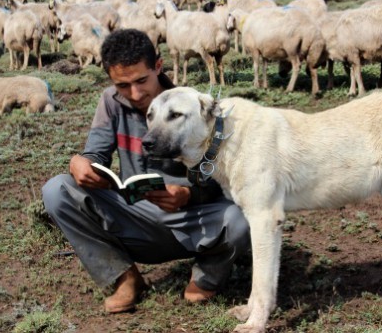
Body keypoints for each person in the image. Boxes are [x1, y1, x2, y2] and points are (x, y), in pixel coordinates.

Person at [41, 29, 250, 314]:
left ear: (159, 66)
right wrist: (83, 162)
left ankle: (207, 276)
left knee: (241, 216)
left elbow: (222, 178)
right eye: (123, 85)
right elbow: (96, 153)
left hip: (193, 221)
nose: (135, 94)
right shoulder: (111, 102)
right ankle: (124, 277)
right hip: (136, 217)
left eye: (142, 80)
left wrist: (188, 194)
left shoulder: (193, 107)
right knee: (57, 190)